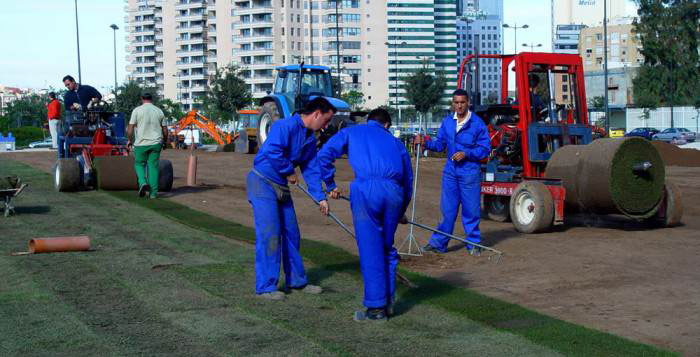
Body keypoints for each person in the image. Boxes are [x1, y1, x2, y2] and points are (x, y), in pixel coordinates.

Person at [318, 108, 413, 322]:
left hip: (366, 191)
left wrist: (330, 183)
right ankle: (388, 303)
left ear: (369, 121)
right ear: (387, 125)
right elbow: (408, 179)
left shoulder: (352, 132)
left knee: (371, 249)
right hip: (393, 193)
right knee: (387, 248)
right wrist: (401, 210)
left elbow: (324, 155)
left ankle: (376, 308)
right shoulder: (396, 143)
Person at [246, 97, 335, 300]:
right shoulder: (283, 126)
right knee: (270, 234)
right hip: (262, 182)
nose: (327, 125)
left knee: (292, 233)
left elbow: (311, 169)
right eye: (327, 120)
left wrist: (320, 198)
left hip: (281, 186)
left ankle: (296, 281)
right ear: (317, 114)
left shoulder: (310, 138)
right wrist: (288, 170)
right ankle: (266, 286)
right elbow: (272, 151)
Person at [414, 89, 490, 255]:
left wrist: (467, 154)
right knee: (447, 210)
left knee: (471, 210)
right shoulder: (447, 122)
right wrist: (425, 142)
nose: (459, 106)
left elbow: (485, 149)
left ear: (468, 103)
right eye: (456, 102)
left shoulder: (477, 124)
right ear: (452, 104)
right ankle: (438, 244)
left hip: (469, 172)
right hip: (450, 172)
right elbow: (440, 145)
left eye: (462, 102)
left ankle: (473, 244)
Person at [126, 93, 167, 199]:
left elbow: (130, 129)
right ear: (151, 99)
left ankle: (143, 182)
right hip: (156, 143)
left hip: (141, 144)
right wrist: (165, 142)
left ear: (141, 99)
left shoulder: (137, 110)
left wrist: (129, 140)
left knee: (139, 164)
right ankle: (153, 194)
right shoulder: (159, 111)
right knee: (153, 167)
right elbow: (165, 130)